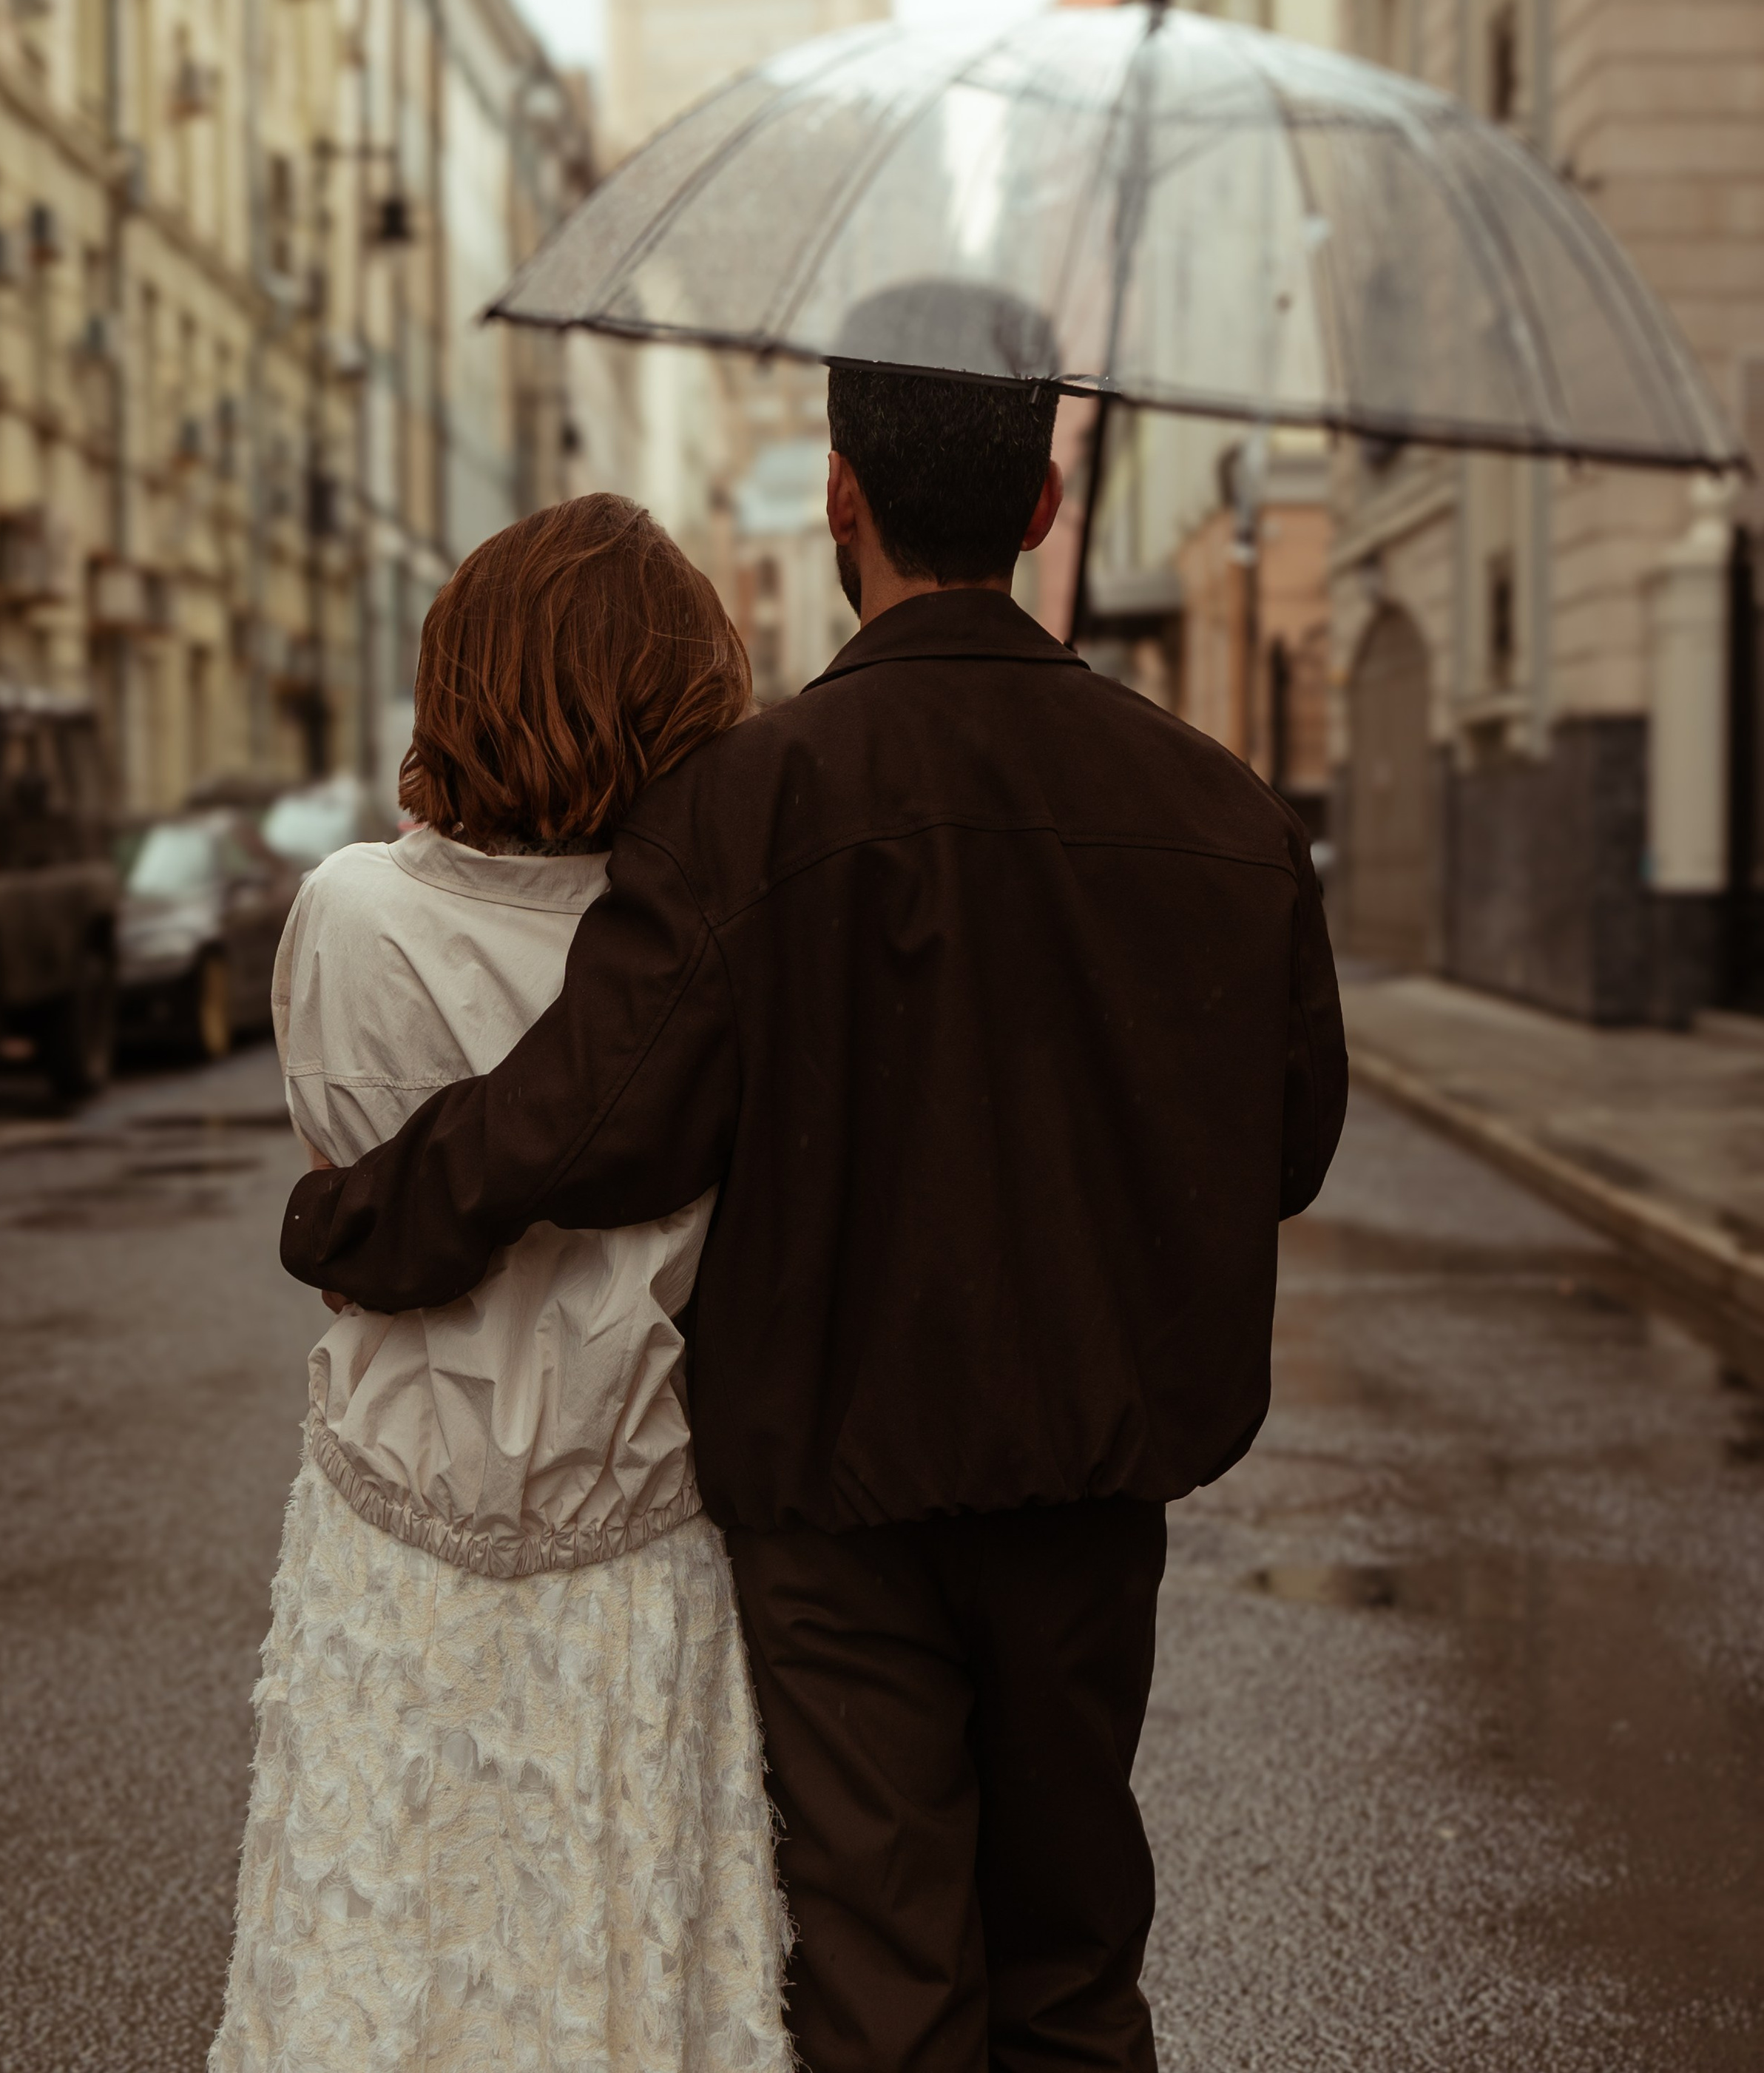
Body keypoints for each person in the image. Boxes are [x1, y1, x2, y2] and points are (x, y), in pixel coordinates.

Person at [283, 312, 1349, 2073]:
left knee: (883, 1963)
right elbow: (1284, 1145)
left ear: (838, 495)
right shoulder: (1223, 809)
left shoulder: (752, 801)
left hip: (835, 1495)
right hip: (1092, 1477)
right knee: (1074, 1960)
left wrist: (348, 1220)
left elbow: (587, 1119)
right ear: (1045, 495)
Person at [210, 496, 791, 2073]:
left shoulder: (351, 916)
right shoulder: (702, 944)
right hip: (637, 1533)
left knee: (379, 1940)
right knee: (620, 1957)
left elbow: (355, 1187)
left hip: (402, 1526)